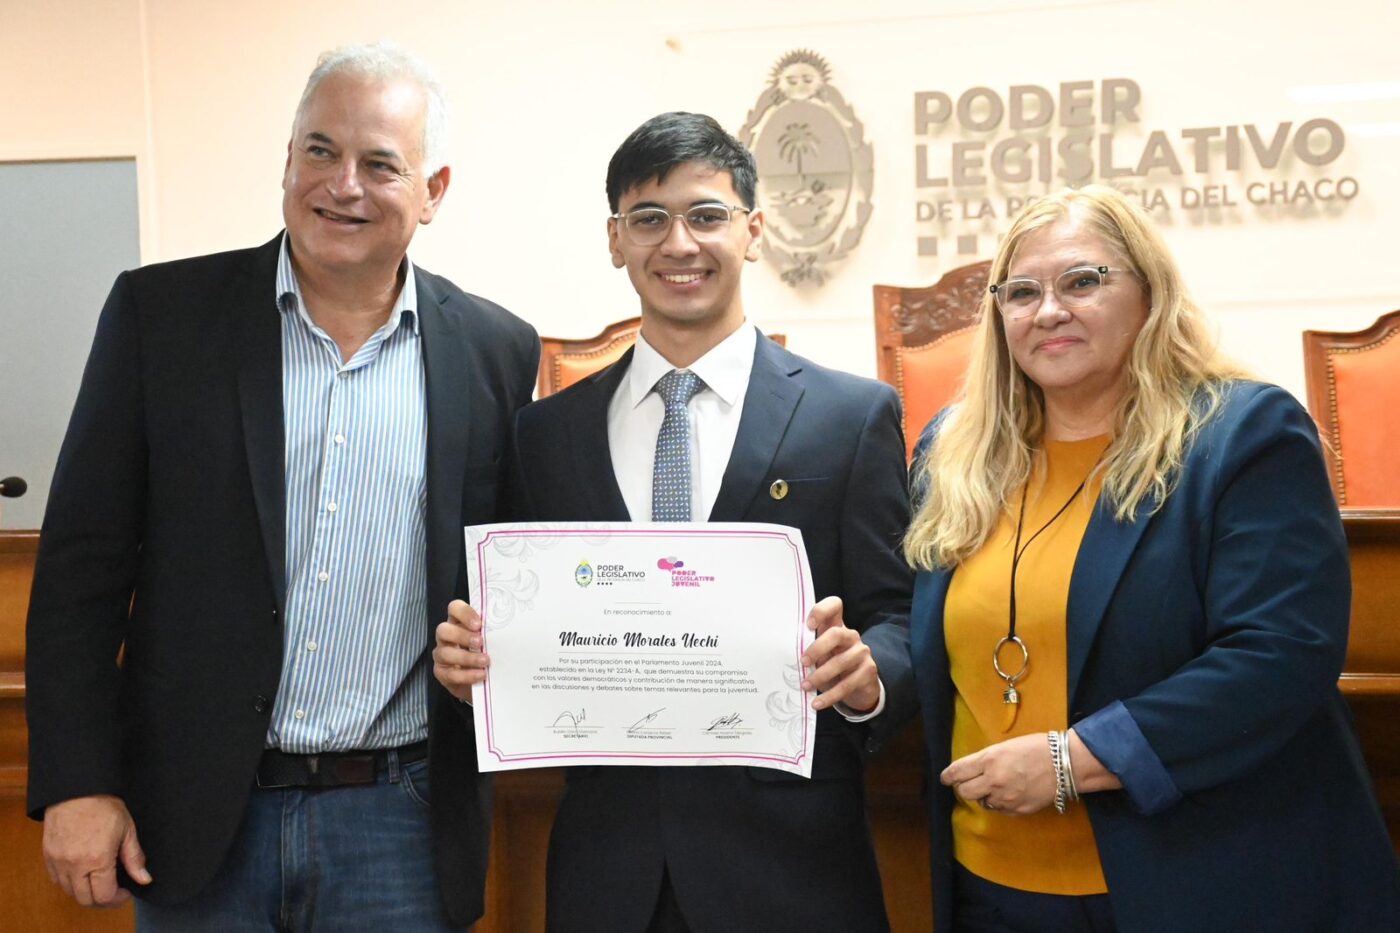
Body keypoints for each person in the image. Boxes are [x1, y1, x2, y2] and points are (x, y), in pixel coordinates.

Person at [25, 42, 538, 930]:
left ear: (433, 190)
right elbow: (80, 572)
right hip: (197, 817)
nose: (343, 185)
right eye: (320, 150)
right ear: (288, 159)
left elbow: (506, 575)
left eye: (380, 164)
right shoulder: (162, 319)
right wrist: (77, 781)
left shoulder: (497, 350)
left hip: (401, 821)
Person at [433, 111, 915, 932]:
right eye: (649, 218)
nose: (679, 243)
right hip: (609, 871)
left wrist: (871, 677)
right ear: (615, 239)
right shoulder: (545, 434)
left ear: (753, 231)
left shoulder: (851, 416)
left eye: (707, 215)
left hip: (793, 867)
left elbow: (898, 612)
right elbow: (515, 621)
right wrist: (469, 662)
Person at [903, 184, 1400, 931]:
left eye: (1083, 281)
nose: (1049, 311)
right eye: (1022, 292)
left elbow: (1281, 652)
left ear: (1150, 294)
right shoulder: (954, 451)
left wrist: (1074, 760)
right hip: (989, 882)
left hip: (1194, 880)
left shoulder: (1241, 435)